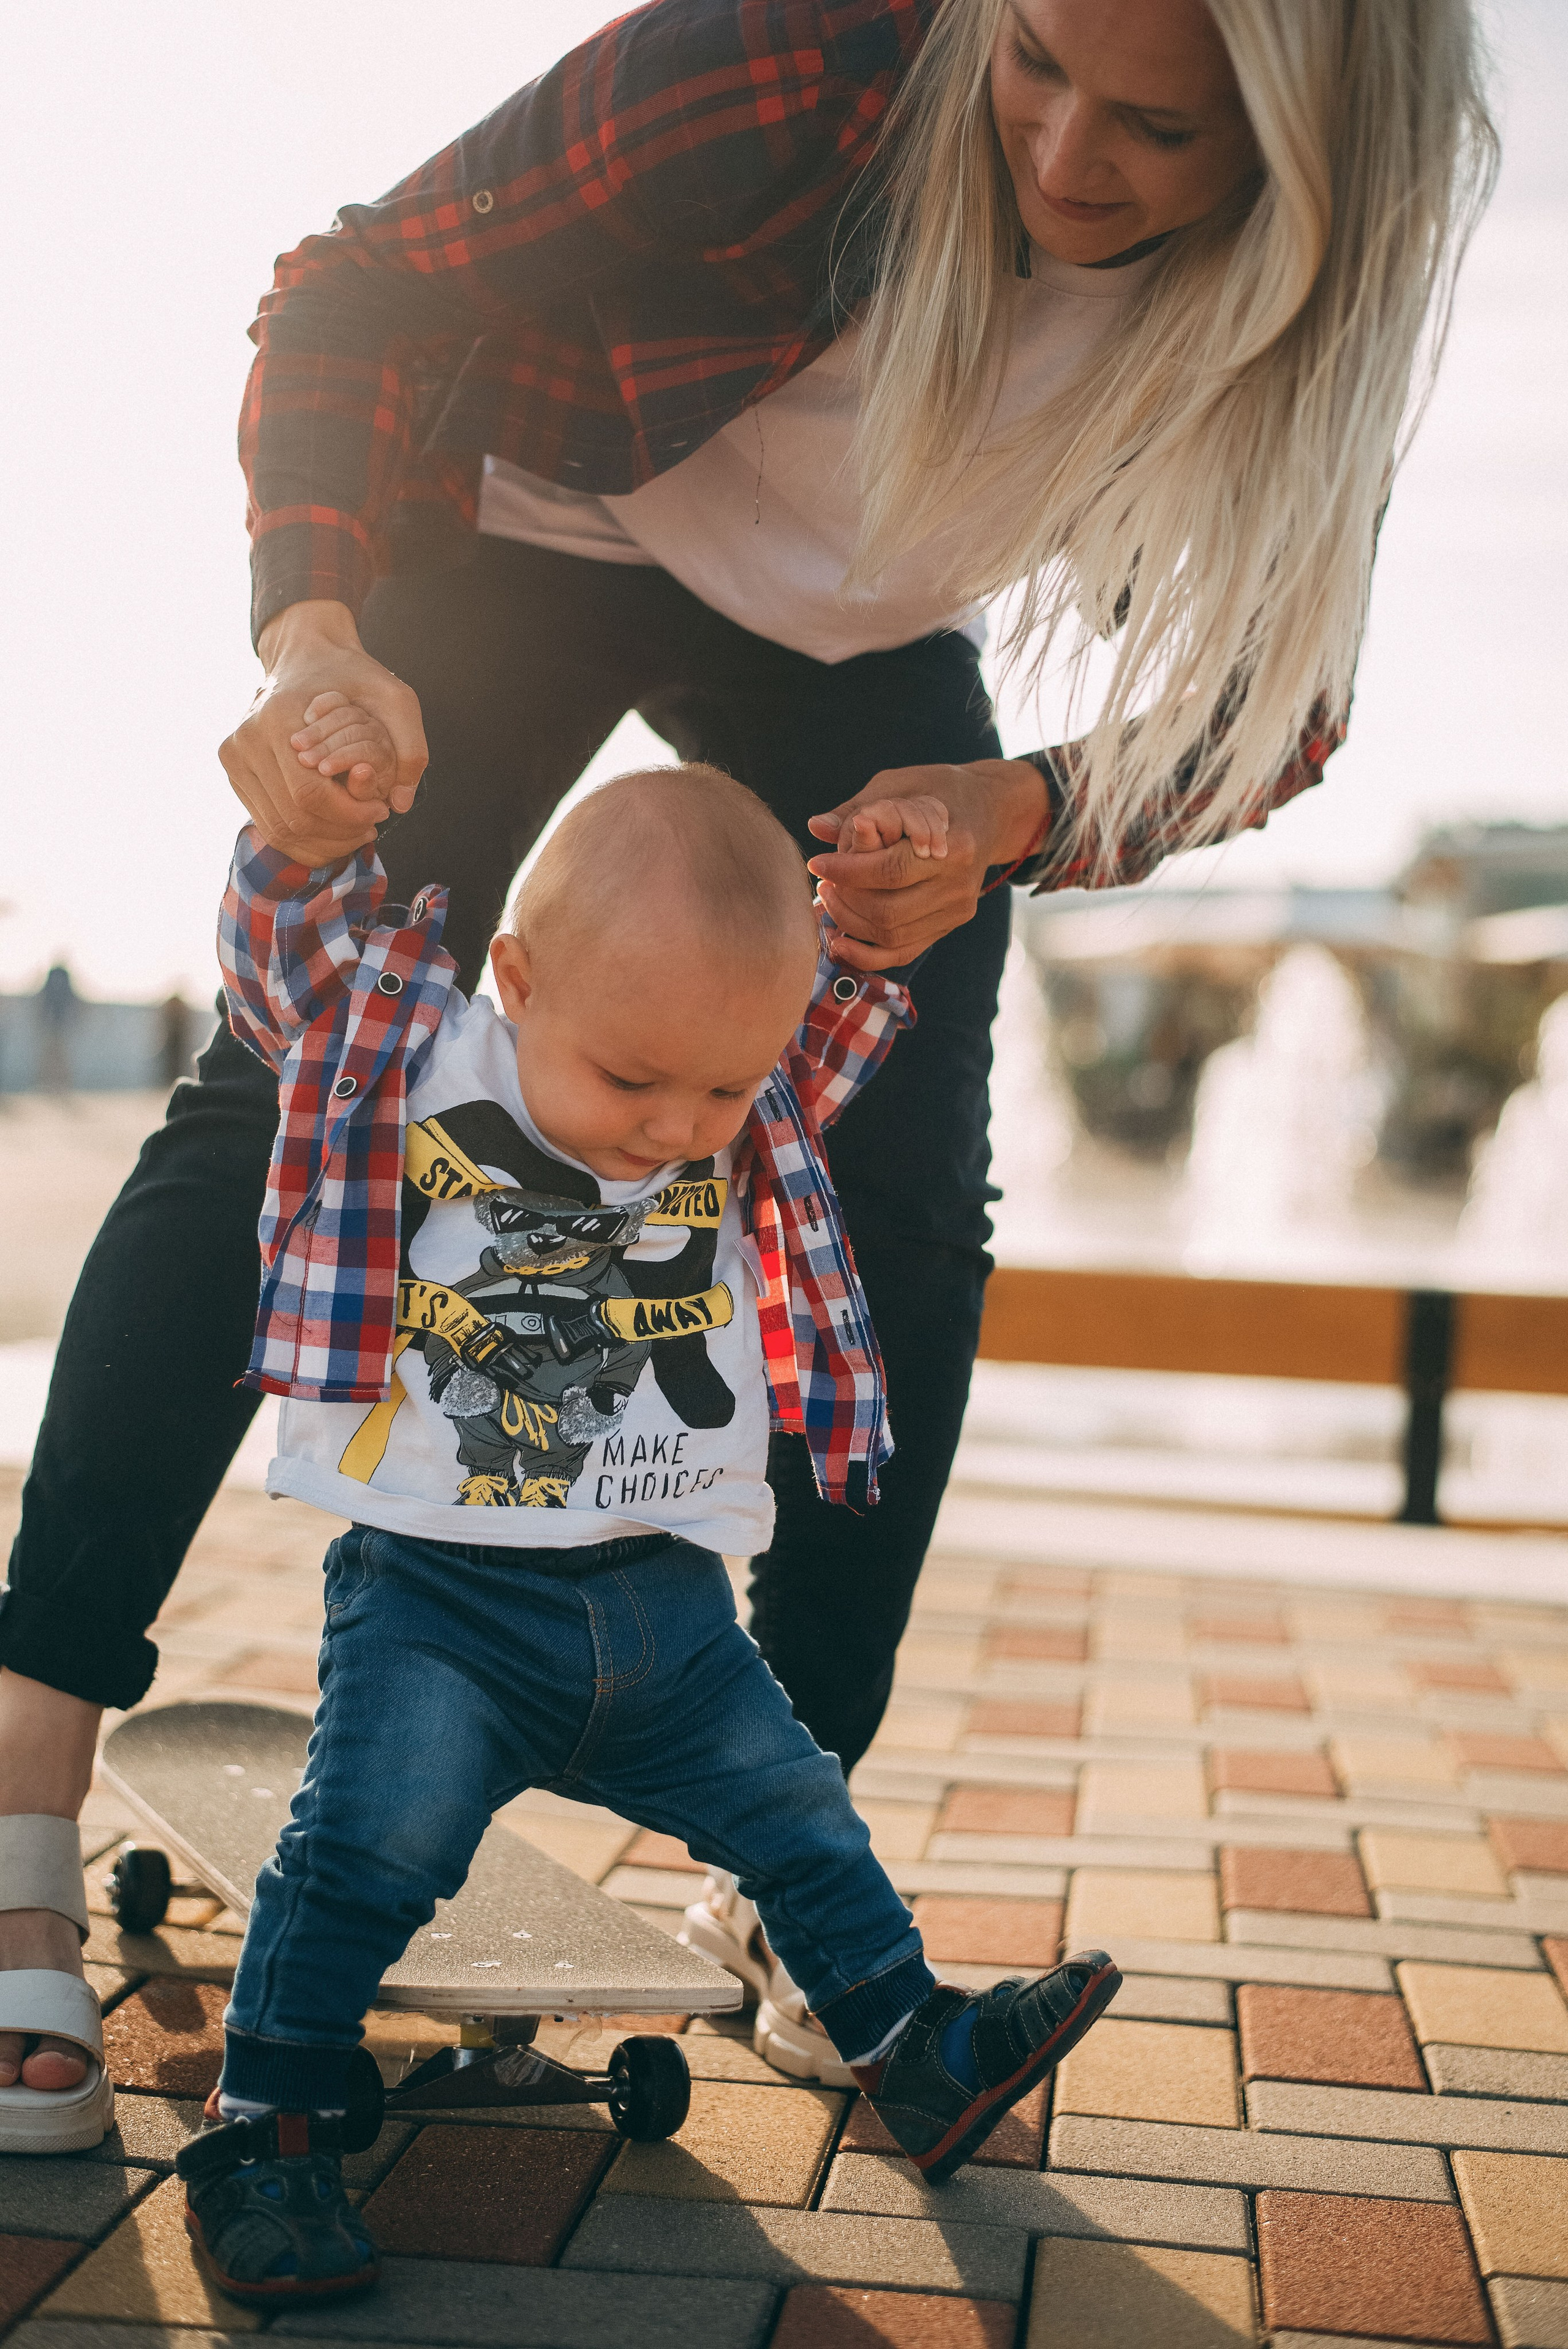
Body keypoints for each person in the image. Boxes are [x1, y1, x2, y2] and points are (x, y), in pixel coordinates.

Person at [0, 0, 1496, 2143]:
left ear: (1299, 161)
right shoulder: (817, 55)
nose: (1068, 154)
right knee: (287, 1087)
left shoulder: (1297, 329)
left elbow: (1273, 704)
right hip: (538, 521)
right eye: (1039, 62)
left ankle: (797, 1874)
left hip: (858, 646)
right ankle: (17, 1796)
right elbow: (350, 288)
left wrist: (1007, 815)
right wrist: (318, 634)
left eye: (1164, 131)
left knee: (910, 1196)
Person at [173, 756, 1120, 2303]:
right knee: (364, 1849)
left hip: (668, 1609)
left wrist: (881, 885)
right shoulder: (417, 1057)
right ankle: (263, 2129)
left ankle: (915, 2050)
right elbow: (283, 965)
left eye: (721, 1093)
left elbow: (840, 992)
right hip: (439, 1602)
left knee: (801, 1815)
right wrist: (299, 834)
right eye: (630, 1083)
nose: (674, 1128)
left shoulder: (733, 1091)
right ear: (520, 982)